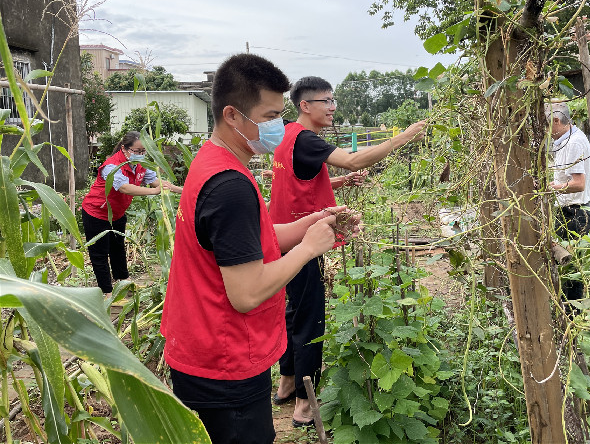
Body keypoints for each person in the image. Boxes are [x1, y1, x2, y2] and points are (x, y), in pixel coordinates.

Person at [160, 55, 356, 444]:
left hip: (201, 347)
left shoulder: (214, 161)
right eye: (270, 115)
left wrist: (312, 222)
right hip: (225, 360)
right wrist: (308, 249)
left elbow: (255, 239)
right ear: (232, 115)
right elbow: (246, 293)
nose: (278, 127)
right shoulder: (230, 185)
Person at [269, 76, 425, 426]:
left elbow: (300, 180)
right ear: (305, 106)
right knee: (310, 318)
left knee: (293, 312)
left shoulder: (288, 137)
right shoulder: (307, 139)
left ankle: (286, 383)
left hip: (281, 236)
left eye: (333, 100)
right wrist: (404, 137)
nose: (333, 107)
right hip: (302, 241)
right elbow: (353, 160)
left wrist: (337, 183)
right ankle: (305, 406)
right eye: (326, 101)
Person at [81, 131, 182, 297]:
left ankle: (123, 281)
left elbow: (159, 182)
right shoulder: (111, 166)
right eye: (137, 151)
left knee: (118, 248)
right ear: (125, 149)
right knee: (100, 253)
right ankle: (107, 292)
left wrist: (184, 190)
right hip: (96, 212)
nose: (141, 155)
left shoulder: (140, 166)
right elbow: (124, 188)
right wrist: (154, 191)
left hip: (118, 213)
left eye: (144, 151)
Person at [546, 101, 590, 301]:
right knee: (569, 269)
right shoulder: (569, 139)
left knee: (571, 272)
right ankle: (568, 313)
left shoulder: (574, 142)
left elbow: (578, 183)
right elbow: (565, 178)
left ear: (556, 121)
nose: (545, 130)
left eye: (547, 124)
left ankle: (571, 316)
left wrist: (549, 188)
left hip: (575, 214)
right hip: (570, 210)